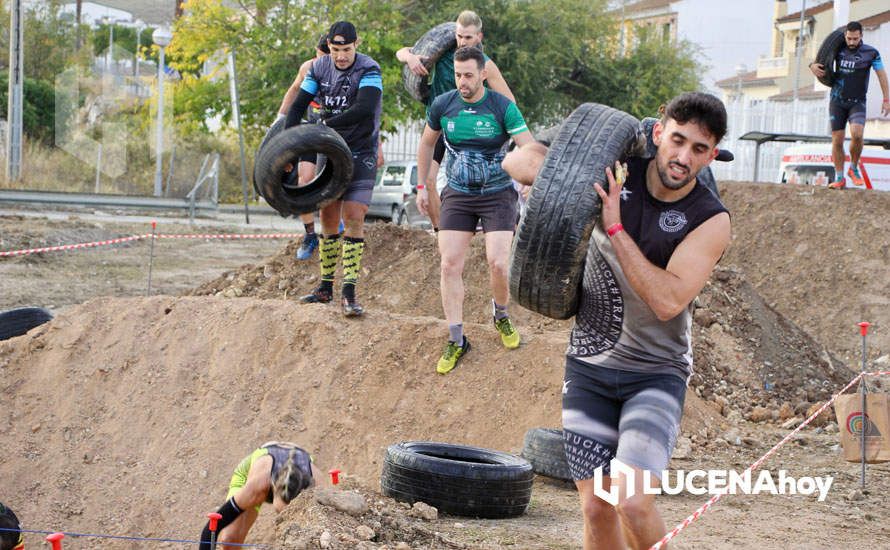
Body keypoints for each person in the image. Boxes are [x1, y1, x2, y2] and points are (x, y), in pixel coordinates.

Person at [504, 92, 731, 550]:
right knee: (595, 506)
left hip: (656, 373)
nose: (683, 157)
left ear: (711, 156)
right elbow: (518, 162)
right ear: (657, 132)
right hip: (590, 365)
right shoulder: (616, 166)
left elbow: (668, 300)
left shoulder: (709, 219)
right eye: (678, 140)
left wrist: (615, 227)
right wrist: (575, 182)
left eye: (699, 149)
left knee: (631, 501)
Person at [417, 46, 534, 375]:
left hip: (497, 193)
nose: (462, 81)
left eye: (468, 75)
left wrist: (529, 177)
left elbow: (529, 145)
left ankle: (501, 315)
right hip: (458, 193)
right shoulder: (444, 105)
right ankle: (456, 338)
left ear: (483, 74)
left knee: (498, 263)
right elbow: (427, 142)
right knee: (449, 264)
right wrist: (423, 184)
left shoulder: (502, 107)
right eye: (457, 75)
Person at [285, 21, 383, 316]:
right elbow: (297, 106)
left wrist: (324, 125)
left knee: (354, 215)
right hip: (330, 152)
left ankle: (349, 292)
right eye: (335, 49)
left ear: (357, 44)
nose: (341, 56)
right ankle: (325, 287)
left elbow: (364, 110)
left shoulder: (369, 69)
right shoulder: (318, 68)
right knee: (328, 218)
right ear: (328, 46)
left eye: (346, 49)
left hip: (361, 150)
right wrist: (289, 147)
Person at [397, 10, 515, 230]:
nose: (462, 41)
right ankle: (439, 231)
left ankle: (474, 225)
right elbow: (401, 52)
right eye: (459, 36)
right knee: (428, 182)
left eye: (468, 37)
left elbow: (509, 102)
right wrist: (410, 58)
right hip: (437, 126)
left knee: (466, 181)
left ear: (479, 37)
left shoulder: (485, 66)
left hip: (464, 128)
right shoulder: (442, 53)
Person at [809, 21, 889, 189]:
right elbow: (822, 58)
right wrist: (812, 65)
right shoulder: (838, 48)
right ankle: (839, 177)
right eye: (849, 38)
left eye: (855, 39)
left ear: (861, 36)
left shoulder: (871, 53)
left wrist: (886, 99)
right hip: (837, 101)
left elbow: (882, 75)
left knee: (857, 134)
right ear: (845, 35)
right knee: (837, 140)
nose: (851, 42)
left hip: (857, 102)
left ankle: (853, 168)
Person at [198, 442, 317, 549]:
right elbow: (210, 529)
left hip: (299, 459)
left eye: (291, 511)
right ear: (273, 488)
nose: (285, 516)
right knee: (229, 540)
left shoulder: (316, 484)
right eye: (281, 511)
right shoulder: (258, 485)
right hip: (251, 473)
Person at [277, 34, 330, 261]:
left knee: (335, 183)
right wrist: (279, 118)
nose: (323, 62)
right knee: (303, 180)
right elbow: (294, 89)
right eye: (320, 57)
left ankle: (337, 228)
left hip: (337, 132)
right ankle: (310, 235)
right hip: (311, 130)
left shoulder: (348, 71)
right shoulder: (308, 67)